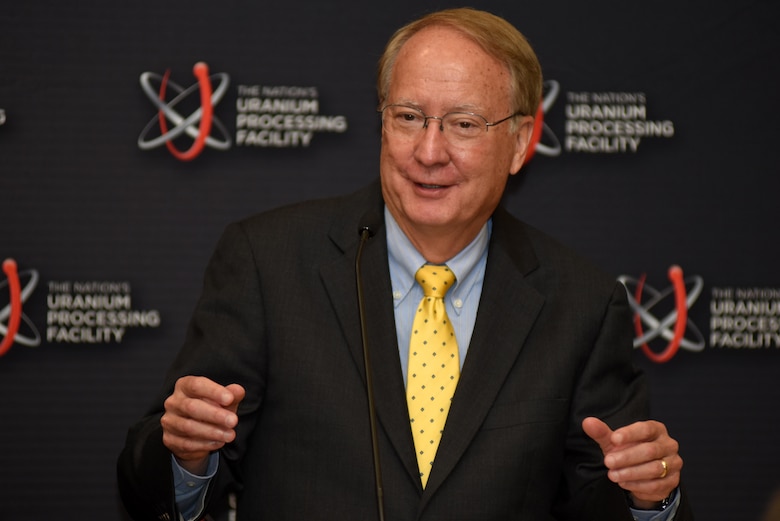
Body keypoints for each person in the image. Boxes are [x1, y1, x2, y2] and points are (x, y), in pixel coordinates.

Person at [117, 8, 692, 520]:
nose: (429, 151)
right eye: (410, 117)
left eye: (464, 124)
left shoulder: (582, 306)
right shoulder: (268, 263)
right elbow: (150, 484)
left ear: (520, 143)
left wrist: (649, 501)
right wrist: (187, 457)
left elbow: (601, 500)